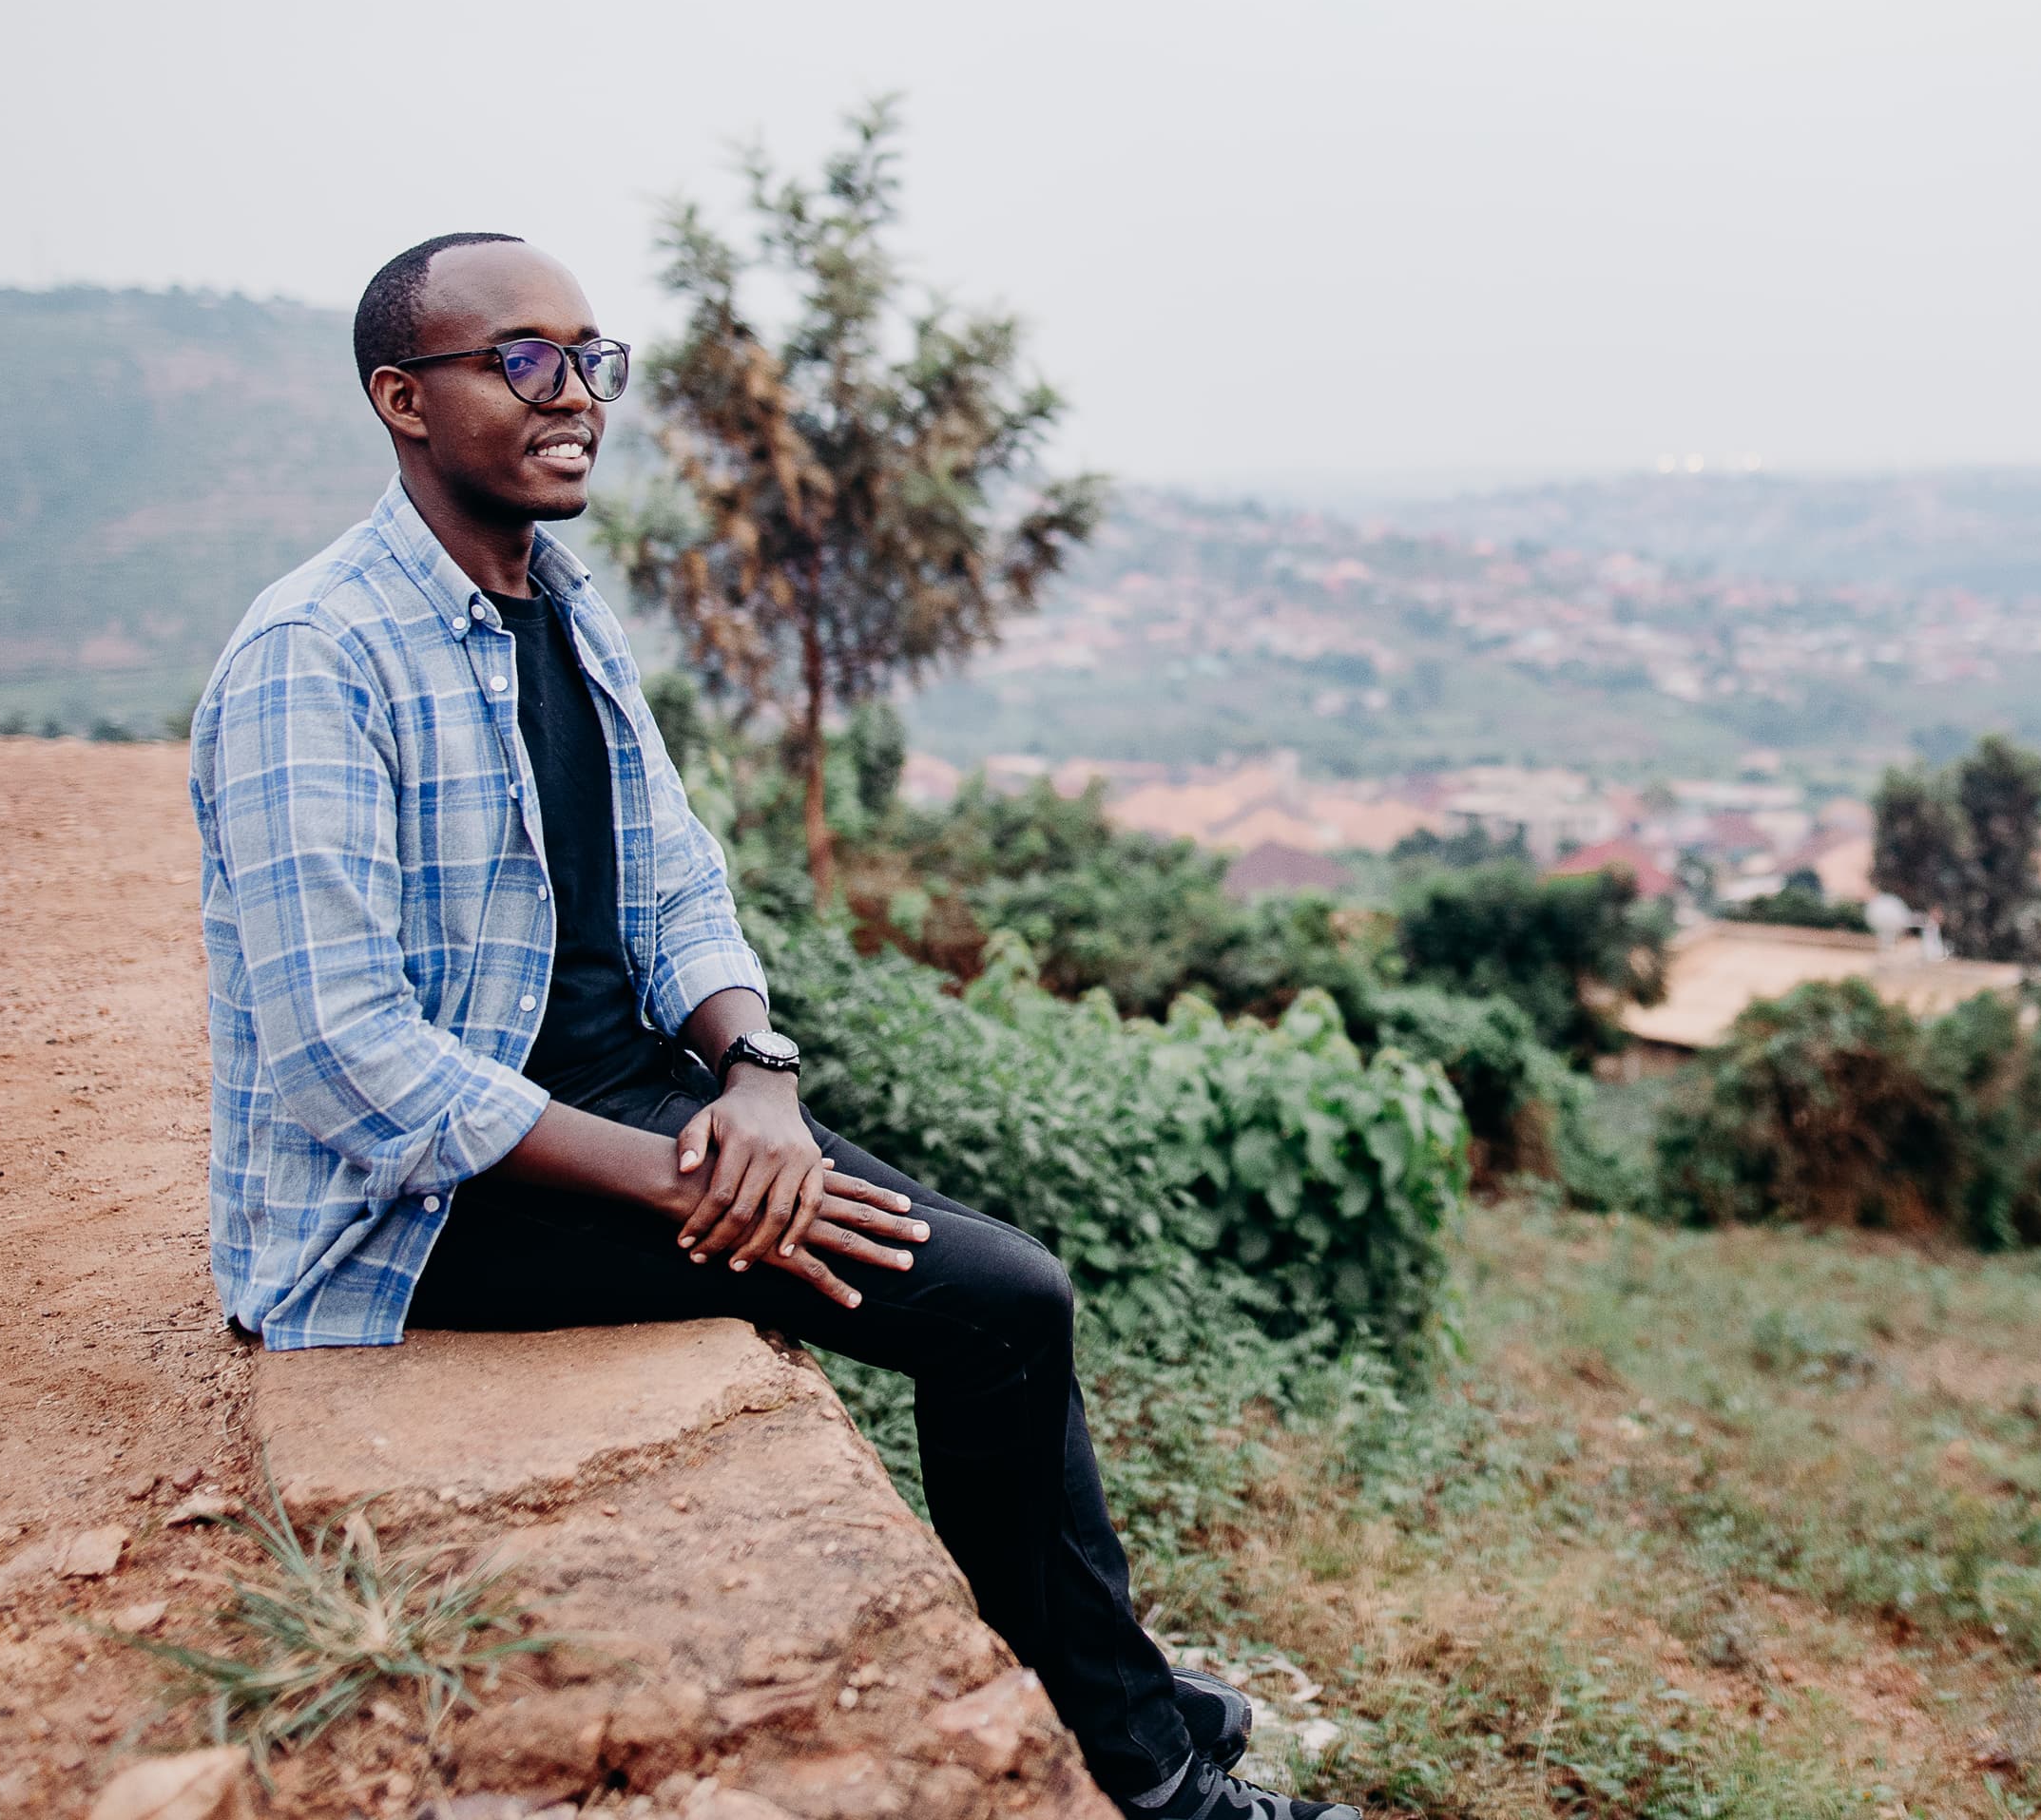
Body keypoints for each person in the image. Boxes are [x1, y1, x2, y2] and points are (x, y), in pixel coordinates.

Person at [191, 231, 1352, 1820]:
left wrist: (757, 1077)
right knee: (999, 1303)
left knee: (1001, 1288)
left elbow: (678, 880)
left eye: (593, 357)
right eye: (523, 358)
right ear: (402, 398)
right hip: (416, 1209)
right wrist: (677, 1179)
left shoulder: (561, 604)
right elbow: (344, 1055)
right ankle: (1152, 1777)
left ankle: (1109, 1691)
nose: (575, 394)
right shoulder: (311, 660)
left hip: (626, 1098)